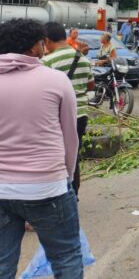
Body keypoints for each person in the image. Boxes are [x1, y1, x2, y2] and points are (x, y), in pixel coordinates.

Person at [0, 19, 82, 278]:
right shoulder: (56, 80)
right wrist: (66, 178)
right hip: (48, 185)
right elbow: (70, 137)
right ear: (36, 47)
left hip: (1, 188)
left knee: (2, 263)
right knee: (66, 256)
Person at [42, 22, 95, 196]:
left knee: (56, 155)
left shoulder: (47, 61)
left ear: (47, 40)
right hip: (80, 114)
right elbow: (90, 85)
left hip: (56, 115)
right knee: (74, 154)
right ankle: (74, 193)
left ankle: (59, 193)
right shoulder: (84, 59)